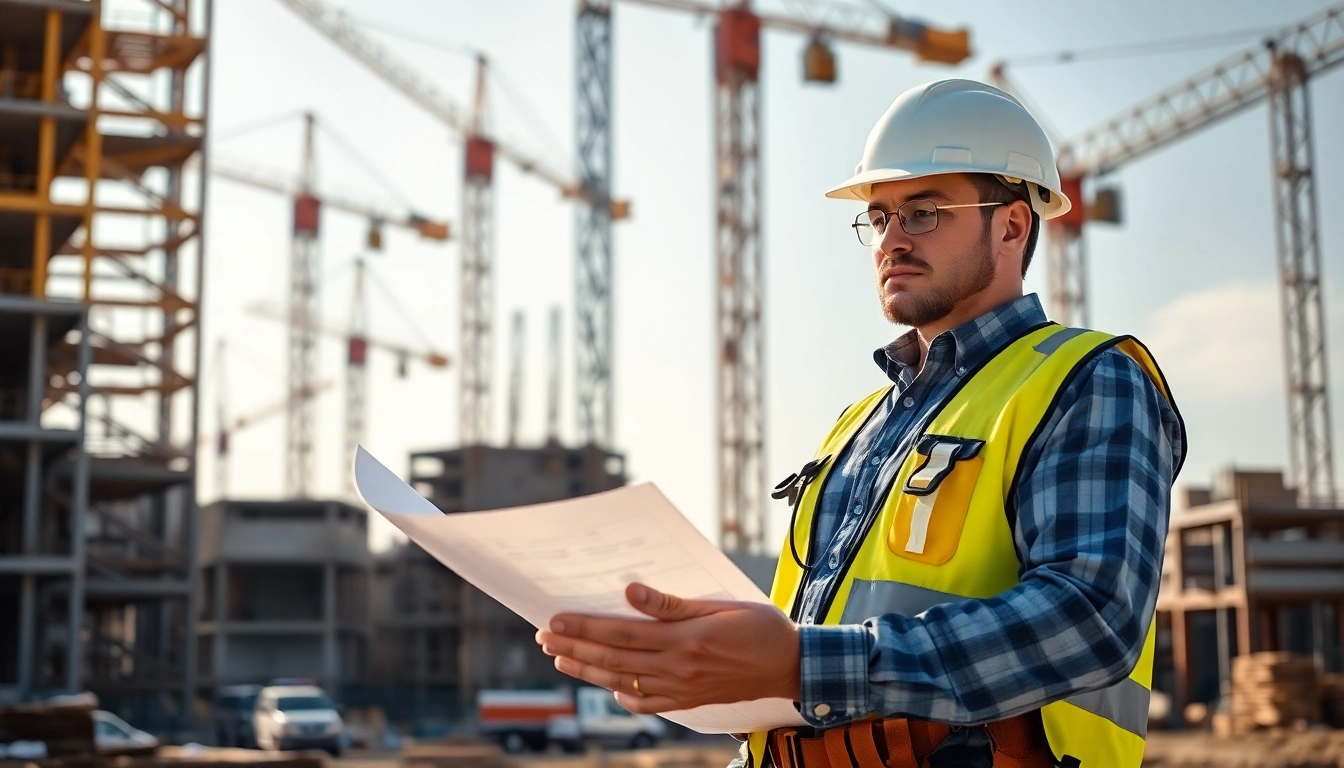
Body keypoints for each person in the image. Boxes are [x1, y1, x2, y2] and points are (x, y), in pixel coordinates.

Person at [535, 79, 1185, 768]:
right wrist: (708, 665)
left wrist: (801, 664)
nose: (891, 240)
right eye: (878, 218)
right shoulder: (856, 430)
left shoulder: (1087, 378)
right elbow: (795, 694)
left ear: (1013, 225)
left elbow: (1091, 617)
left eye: (924, 212)